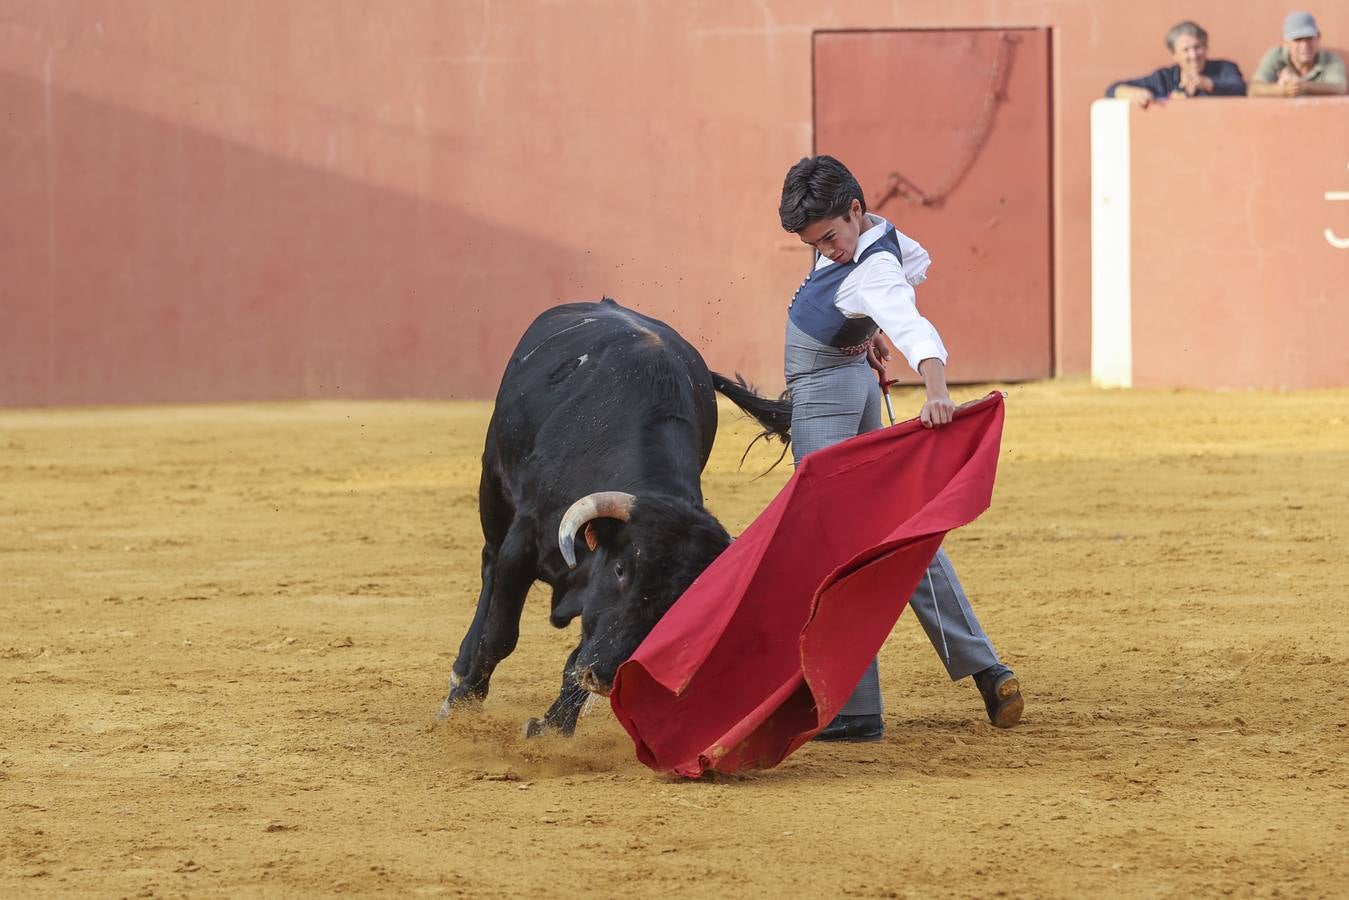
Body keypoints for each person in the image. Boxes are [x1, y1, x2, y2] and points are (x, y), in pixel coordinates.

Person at [778, 155, 1023, 742]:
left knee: (834, 550)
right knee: (894, 533)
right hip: (853, 382)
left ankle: (854, 709)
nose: (828, 250)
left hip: (826, 400)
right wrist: (864, 333)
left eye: (831, 238)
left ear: (854, 211)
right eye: (814, 243)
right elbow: (900, 269)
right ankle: (986, 668)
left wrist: (936, 391)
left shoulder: (870, 270)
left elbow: (912, 323)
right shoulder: (873, 232)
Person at [1106, 20, 1246, 107]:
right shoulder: (1164, 78)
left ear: (1206, 48)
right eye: (1186, 50)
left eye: (1198, 47)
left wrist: (1207, 84)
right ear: (1175, 55)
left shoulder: (1225, 69)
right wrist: (1136, 94)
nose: (1193, 55)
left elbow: (1241, 88)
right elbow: (1113, 89)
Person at [1248, 11, 1347, 97]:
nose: (1304, 45)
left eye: (1309, 38)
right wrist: (1282, 90)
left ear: (1318, 37)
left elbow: (1340, 88)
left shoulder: (1331, 59)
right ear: (1285, 42)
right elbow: (1254, 89)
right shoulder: (1274, 56)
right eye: (1298, 39)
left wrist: (1304, 86)